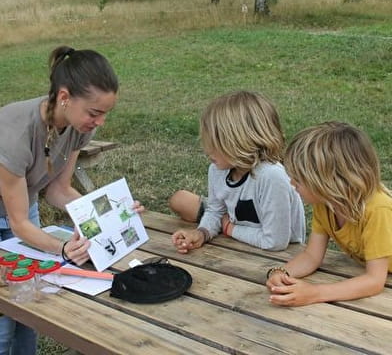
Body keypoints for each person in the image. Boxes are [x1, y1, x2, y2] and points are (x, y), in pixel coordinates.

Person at [0, 45, 144, 355]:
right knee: (2, 326)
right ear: (64, 97)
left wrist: (114, 213)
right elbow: (18, 222)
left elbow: (58, 190)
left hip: (23, 208)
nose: (100, 122)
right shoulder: (13, 133)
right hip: (16, 214)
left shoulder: (77, 128)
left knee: (30, 308)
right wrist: (62, 248)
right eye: (95, 113)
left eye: (105, 113)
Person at [266, 121, 392, 307]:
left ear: (330, 181)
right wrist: (280, 272)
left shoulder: (378, 210)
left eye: (299, 179)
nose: (292, 184)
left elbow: (374, 281)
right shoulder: (325, 204)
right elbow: (311, 257)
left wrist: (314, 293)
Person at [171, 90, 306, 253]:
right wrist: (202, 233)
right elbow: (216, 211)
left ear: (241, 142)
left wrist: (229, 228)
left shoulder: (271, 176)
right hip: (240, 241)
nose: (206, 149)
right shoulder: (217, 169)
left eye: (215, 143)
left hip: (279, 255)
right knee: (179, 200)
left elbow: (275, 242)